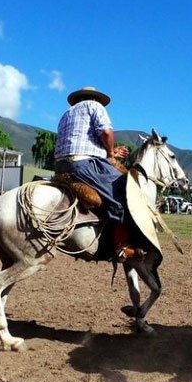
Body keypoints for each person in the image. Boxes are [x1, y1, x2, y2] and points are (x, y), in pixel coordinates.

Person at [53, 86, 141, 261]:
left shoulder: (66, 114)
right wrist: (110, 153)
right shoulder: (95, 107)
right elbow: (106, 132)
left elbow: (82, 142)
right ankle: (121, 248)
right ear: (96, 99)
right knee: (123, 192)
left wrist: (110, 151)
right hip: (82, 163)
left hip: (60, 165)